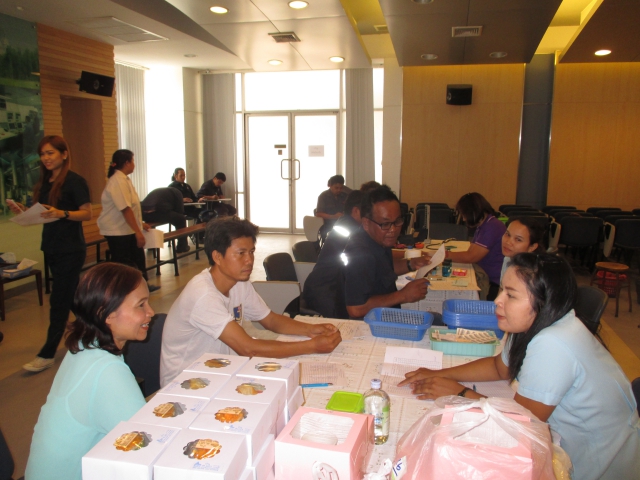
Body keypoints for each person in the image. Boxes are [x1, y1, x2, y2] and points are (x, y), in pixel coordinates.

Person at [399, 253, 640, 480]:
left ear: (543, 302)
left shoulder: (553, 343)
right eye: (502, 290)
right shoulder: (531, 322)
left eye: (511, 295)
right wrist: (439, 374)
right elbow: (499, 367)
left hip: (597, 462)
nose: (497, 301)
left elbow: (522, 423)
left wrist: (459, 393)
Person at [159, 216, 342, 386]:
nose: (249, 260)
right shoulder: (203, 295)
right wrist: (312, 346)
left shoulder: (239, 282)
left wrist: (311, 330)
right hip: (185, 384)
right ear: (217, 257)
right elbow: (248, 349)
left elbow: (270, 320)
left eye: (251, 252)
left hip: (218, 372)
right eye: (241, 253)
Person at [25, 263, 152, 480]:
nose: (150, 312)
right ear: (106, 313)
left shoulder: (85, 346)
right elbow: (148, 448)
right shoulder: (107, 370)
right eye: (141, 305)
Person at [9, 135, 92, 373]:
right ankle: (98, 327)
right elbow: (43, 214)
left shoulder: (75, 181)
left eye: (50, 153)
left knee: (58, 301)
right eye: (42, 154)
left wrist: (62, 213)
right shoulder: (45, 182)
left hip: (70, 249)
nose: (45, 158)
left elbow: (86, 213)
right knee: (71, 297)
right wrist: (24, 212)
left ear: (64, 154)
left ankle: (47, 353)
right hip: (52, 247)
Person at [341, 185, 431, 319]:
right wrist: (403, 295)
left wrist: (411, 264)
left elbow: (382, 269)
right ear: (366, 223)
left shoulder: (379, 238)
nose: (393, 230)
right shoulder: (360, 254)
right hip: (370, 325)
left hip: (387, 316)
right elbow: (356, 309)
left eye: (397, 221)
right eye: (385, 224)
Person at [97, 149, 159, 292]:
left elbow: (132, 208)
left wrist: (140, 224)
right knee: (125, 263)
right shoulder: (118, 181)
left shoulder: (124, 179)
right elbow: (125, 209)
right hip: (118, 231)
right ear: (126, 163)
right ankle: (126, 291)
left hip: (126, 228)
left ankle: (142, 286)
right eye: (133, 161)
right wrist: (138, 232)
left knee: (138, 258)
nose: (134, 164)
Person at [303, 190, 364, 318]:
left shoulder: (346, 222)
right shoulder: (352, 228)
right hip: (325, 291)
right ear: (356, 211)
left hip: (329, 286)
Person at [446, 192, 505, 300]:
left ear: (473, 212)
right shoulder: (484, 225)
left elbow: (471, 257)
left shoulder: (492, 226)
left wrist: (443, 255)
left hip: (493, 283)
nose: (464, 219)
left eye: (464, 215)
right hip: (486, 275)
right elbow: (470, 251)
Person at [141, 187, 190, 253]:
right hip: (159, 211)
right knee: (181, 219)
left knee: (150, 221)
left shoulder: (162, 190)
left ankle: (151, 246)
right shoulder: (178, 193)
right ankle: (182, 247)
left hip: (144, 213)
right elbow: (180, 210)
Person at [316, 175, 349, 239]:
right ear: (330, 186)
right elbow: (319, 214)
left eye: (341, 188)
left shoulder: (345, 195)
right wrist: (333, 216)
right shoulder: (323, 196)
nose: (339, 190)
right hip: (328, 224)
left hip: (343, 222)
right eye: (336, 188)